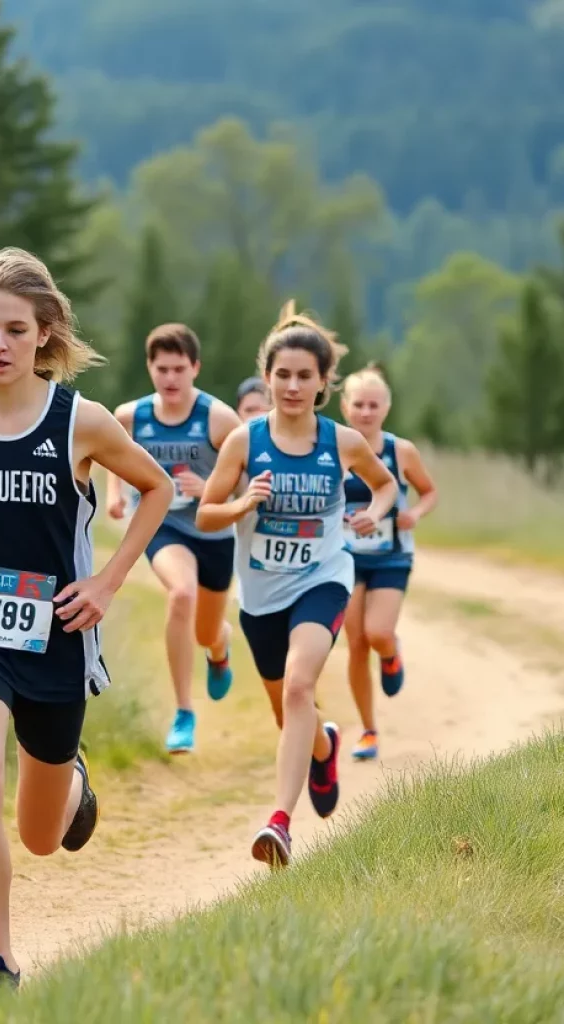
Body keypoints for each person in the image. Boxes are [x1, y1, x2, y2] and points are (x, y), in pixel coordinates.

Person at [0, 248, 171, 998]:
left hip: (57, 639)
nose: (0, 345)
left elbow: (158, 487)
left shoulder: (81, 422)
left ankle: (70, 778)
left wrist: (108, 582)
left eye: (16, 329)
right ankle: (0, 962)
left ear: (45, 333)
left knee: (42, 837)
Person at [196, 302, 397, 868]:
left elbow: (384, 488)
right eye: (282, 375)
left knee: (298, 689)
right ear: (267, 378)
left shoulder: (342, 442)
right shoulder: (243, 442)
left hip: (323, 578)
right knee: (291, 714)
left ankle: (279, 822)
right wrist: (243, 502)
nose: (292, 385)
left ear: (323, 382)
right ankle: (325, 746)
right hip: (260, 594)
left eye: (304, 376)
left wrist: (370, 515)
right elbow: (206, 514)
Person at [106, 325, 242, 754]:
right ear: (150, 368)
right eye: (161, 368)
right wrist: (114, 495)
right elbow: (112, 453)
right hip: (163, 526)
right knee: (181, 595)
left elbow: (248, 477)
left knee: (205, 632)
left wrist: (212, 489)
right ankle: (184, 712)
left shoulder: (219, 419)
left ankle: (220, 646)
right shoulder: (130, 416)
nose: (170, 378)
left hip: (213, 530)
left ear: (195, 368)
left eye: (179, 369)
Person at [339, 365, 438, 761]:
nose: (365, 412)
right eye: (359, 404)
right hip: (344, 558)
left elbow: (429, 492)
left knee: (377, 633)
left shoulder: (401, 451)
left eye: (373, 405)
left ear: (386, 407)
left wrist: (414, 513)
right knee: (355, 643)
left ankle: (391, 652)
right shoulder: (334, 447)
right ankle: (368, 730)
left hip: (391, 557)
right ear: (345, 407)